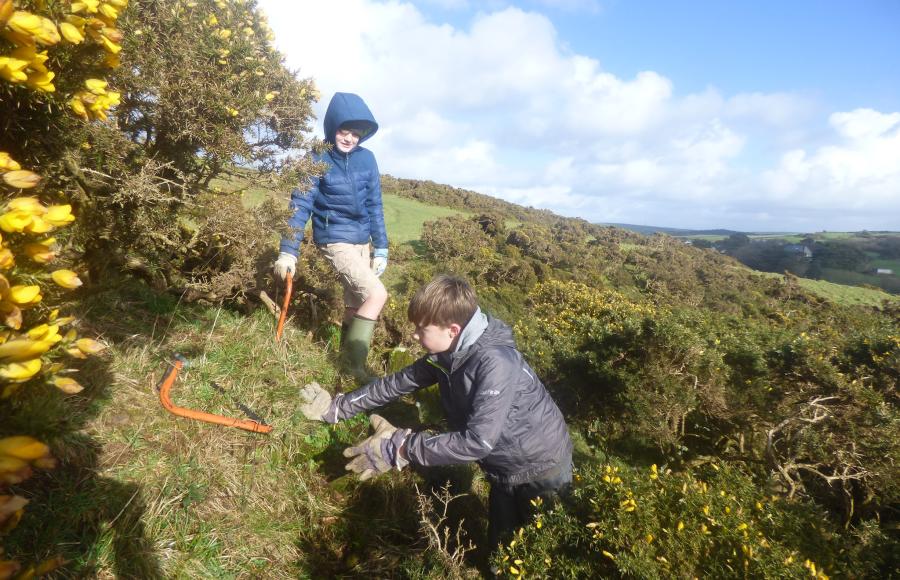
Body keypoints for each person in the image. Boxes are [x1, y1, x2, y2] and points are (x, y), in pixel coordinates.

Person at [299, 275, 573, 549]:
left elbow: (478, 441)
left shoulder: (496, 363)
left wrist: (402, 448)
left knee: (542, 552)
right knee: (502, 552)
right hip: (502, 469)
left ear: (452, 330)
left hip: (542, 470)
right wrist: (338, 408)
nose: (414, 336)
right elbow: (397, 383)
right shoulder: (448, 354)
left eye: (421, 329)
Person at [274, 92, 388, 381]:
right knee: (376, 294)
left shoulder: (368, 159)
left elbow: (375, 205)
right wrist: (289, 250)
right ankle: (357, 369)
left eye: (355, 133)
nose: (349, 138)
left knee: (355, 304)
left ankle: (344, 366)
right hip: (333, 238)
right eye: (343, 130)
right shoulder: (316, 157)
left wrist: (382, 248)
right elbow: (300, 205)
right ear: (332, 127)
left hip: (362, 240)